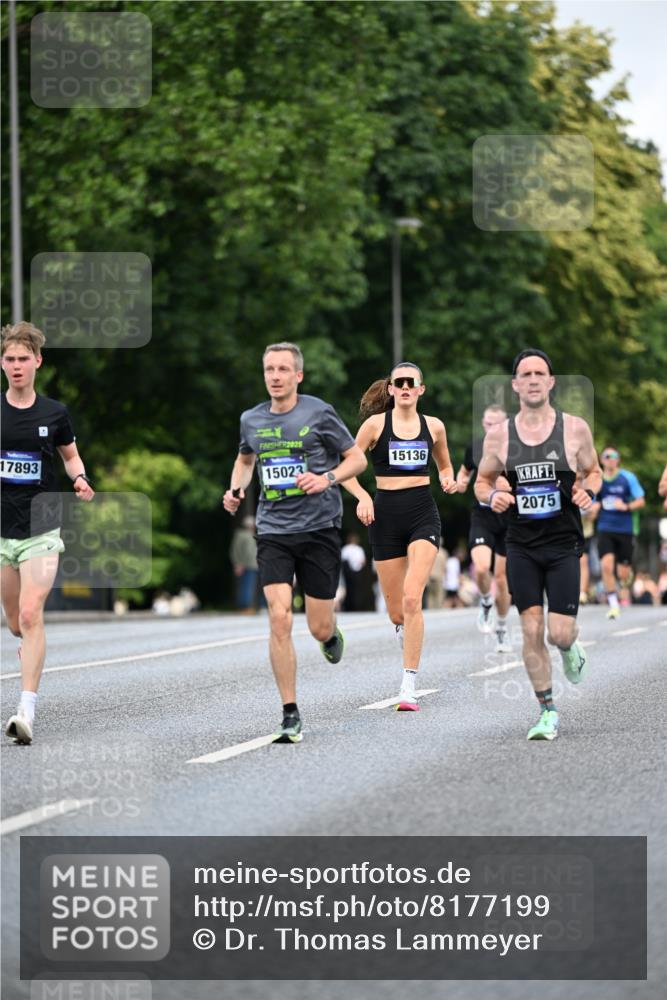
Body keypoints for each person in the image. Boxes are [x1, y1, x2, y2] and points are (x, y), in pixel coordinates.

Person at [222, 342, 366, 743]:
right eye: (269, 369)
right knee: (280, 616)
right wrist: (235, 489)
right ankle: (289, 713)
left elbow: (357, 459)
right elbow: (246, 460)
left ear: (298, 375)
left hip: (319, 528)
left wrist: (327, 479)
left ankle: (330, 634)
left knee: (318, 627)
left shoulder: (319, 412)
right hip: (273, 531)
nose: (275, 376)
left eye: (284, 369)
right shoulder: (251, 419)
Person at [475, 349, 601, 741]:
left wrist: (589, 493)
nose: (532, 379)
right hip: (521, 546)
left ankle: (569, 647)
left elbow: (593, 471)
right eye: (525, 374)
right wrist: (490, 497)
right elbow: (482, 481)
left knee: (559, 633)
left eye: (539, 373)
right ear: (515, 385)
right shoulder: (499, 436)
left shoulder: (574, 429)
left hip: (563, 544)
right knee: (531, 628)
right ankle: (547, 710)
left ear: (550, 382)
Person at [341, 362, 457, 711]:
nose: (405, 387)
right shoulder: (375, 425)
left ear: (421, 389)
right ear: (390, 389)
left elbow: (445, 465)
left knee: (411, 599)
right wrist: (362, 496)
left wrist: (448, 479)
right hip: (385, 516)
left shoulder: (434, 426)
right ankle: (403, 631)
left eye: (412, 383)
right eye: (399, 383)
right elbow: (345, 467)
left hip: (423, 513)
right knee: (396, 613)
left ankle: (408, 685)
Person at [1, 322, 95, 745]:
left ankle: (26, 710)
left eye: (23, 359)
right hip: (2, 531)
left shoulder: (54, 413)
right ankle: (29, 650)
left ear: (37, 362)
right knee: (15, 622)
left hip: (41, 527)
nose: (16, 366)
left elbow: (71, 457)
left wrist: (80, 479)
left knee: (29, 614)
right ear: (2, 363)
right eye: (9, 359)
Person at [456, 404, 512, 652]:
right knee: (480, 568)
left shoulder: (517, 448)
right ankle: (486, 602)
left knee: (501, 578)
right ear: (482, 424)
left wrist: (505, 485)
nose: (491, 428)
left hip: (510, 518)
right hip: (483, 515)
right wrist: (460, 481)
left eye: (496, 424)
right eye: (488, 424)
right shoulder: (476, 447)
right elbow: (465, 470)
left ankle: (501, 627)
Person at [591, 447, 645, 620]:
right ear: (602, 460)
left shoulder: (627, 478)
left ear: (618, 460)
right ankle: (613, 604)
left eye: (613, 456)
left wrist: (627, 506)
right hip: (605, 528)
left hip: (625, 529)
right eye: (606, 456)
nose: (610, 459)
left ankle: (626, 577)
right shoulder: (597, 480)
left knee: (622, 573)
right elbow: (591, 504)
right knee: (606, 565)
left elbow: (641, 501)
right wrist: (593, 509)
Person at [230, 515, 259, 613]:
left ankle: (248, 606)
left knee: (249, 586)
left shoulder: (252, 535)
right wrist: (238, 564)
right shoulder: (241, 535)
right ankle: (245, 606)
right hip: (246, 565)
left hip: (254, 565)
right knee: (246, 586)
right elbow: (236, 551)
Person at [340, 532, 367, 612]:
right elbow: (363, 562)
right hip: (356, 572)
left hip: (348, 572)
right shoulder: (359, 549)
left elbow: (343, 560)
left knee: (349, 589)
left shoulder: (346, 548)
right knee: (356, 590)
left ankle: (349, 606)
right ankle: (355, 606)